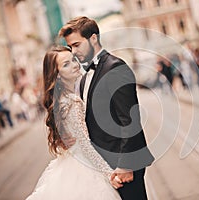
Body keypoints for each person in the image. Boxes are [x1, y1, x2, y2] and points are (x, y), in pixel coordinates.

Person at [58, 16, 154, 200]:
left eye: (77, 45)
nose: (73, 51)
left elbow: (130, 120)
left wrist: (126, 165)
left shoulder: (115, 67)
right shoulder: (85, 77)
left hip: (123, 165)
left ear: (93, 38)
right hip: (104, 166)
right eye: (70, 47)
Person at [26, 46, 121, 200]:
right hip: (84, 169)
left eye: (73, 60)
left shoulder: (61, 100)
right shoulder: (71, 101)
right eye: (66, 64)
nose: (75, 65)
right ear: (57, 75)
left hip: (69, 165)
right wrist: (109, 173)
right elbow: (84, 144)